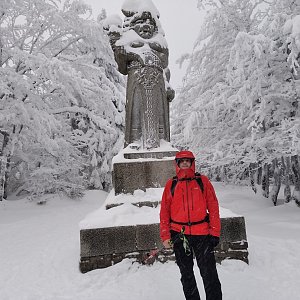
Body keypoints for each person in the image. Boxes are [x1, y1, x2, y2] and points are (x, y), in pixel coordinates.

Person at [160, 150, 222, 300]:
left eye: (188, 160)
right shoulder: (171, 184)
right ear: (178, 164)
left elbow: (213, 207)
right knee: (186, 274)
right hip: (179, 235)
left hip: (202, 234)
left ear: (192, 163)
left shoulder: (203, 181)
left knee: (209, 274)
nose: (185, 163)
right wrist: (165, 235)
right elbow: (164, 212)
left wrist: (215, 233)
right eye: (182, 161)